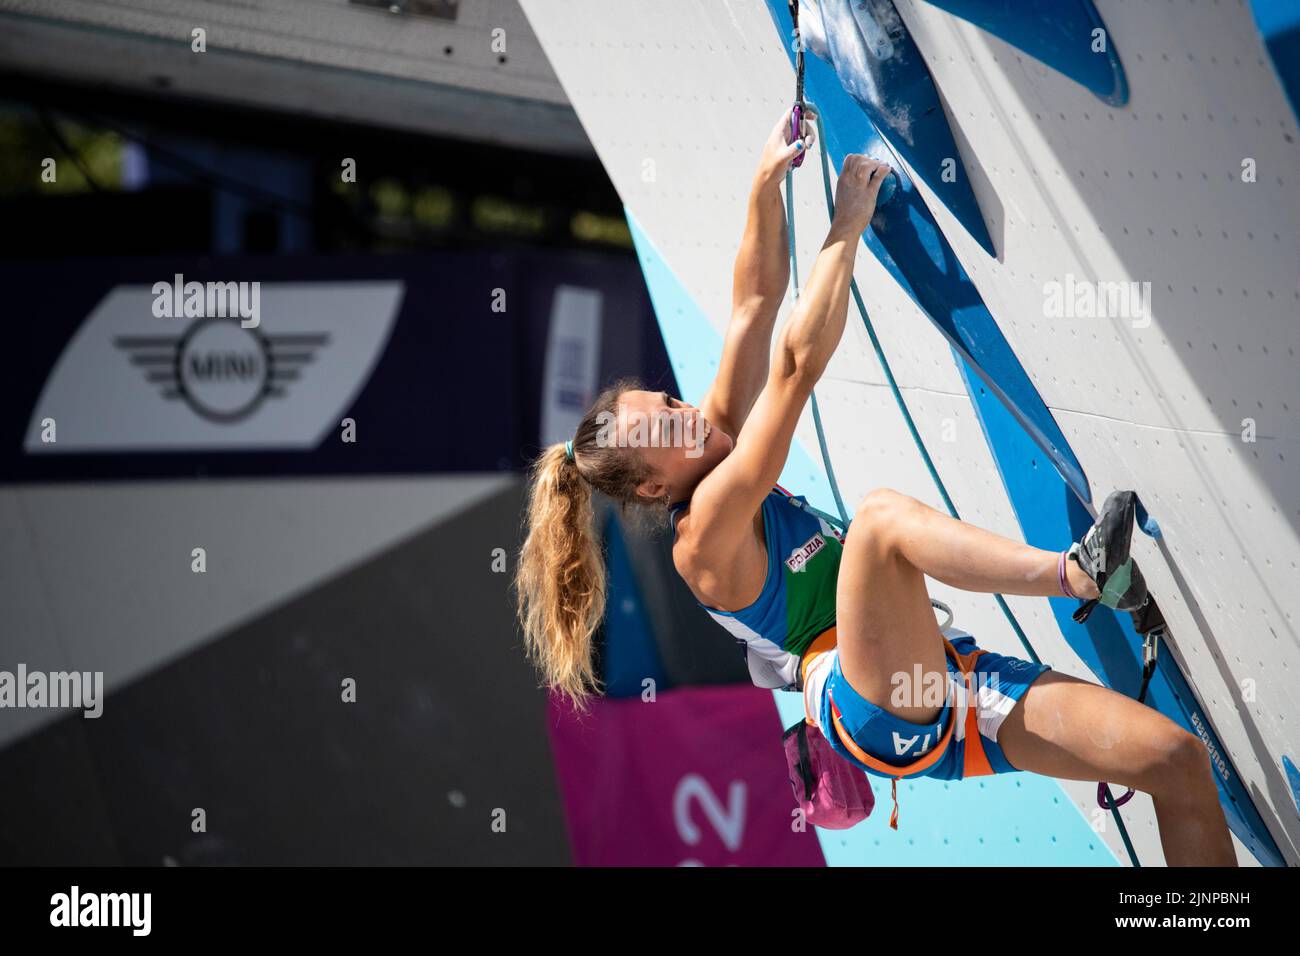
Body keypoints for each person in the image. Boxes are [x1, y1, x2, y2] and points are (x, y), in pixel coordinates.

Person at [513, 108, 1235, 866]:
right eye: (668, 432)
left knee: (1176, 765)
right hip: (869, 712)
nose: (685, 416)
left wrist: (764, 181)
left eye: (666, 405)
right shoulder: (703, 534)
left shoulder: (709, 437)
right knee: (881, 524)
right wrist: (845, 224)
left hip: (948, 691)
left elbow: (754, 306)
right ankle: (1081, 574)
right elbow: (792, 371)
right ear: (658, 490)